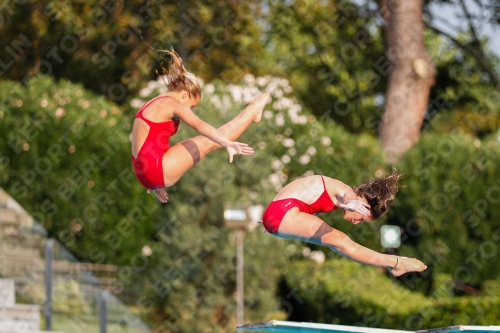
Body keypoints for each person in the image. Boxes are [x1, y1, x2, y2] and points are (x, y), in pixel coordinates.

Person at [131, 49, 270, 202]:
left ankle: (251, 113)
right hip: (156, 170)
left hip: (143, 172)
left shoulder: (150, 104)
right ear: (185, 95)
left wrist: (154, 180)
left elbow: (142, 143)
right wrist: (225, 142)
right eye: (192, 106)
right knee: (208, 142)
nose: (189, 110)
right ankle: (252, 112)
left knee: (199, 142)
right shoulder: (172, 104)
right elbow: (200, 125)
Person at [261, 169, 427, 277]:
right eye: (362, 218)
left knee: (338, 243)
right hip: (281, 213)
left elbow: (290, 193)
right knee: (342, 242)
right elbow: (347, 194)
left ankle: (395, 263)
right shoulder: (344, 191)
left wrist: (273, 220)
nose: (356, 222)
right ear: (364, 204)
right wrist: (352, 202)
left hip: (278, 213)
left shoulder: (334, 195)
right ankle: (397, 263)